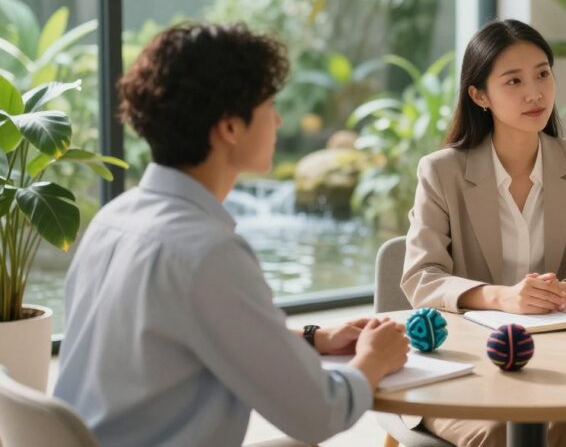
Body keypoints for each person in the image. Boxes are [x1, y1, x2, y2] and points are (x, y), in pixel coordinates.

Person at [55, 23, 409, 447]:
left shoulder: (114, 220)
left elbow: (186, 331)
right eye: (270, 105)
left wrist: (316, 338)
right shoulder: (206, 253)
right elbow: (320, 413)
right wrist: (374, 359)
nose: (278, 120)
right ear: (230, 127)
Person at [402, 19, 566, 447]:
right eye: (514, 80)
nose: (535, 92)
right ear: (479, 95)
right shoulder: (441, 171)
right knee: (498, 432)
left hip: (565, 364)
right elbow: (422, 277)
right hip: (466, 368)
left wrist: (564, 292)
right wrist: (502, 296)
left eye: (543, 73)